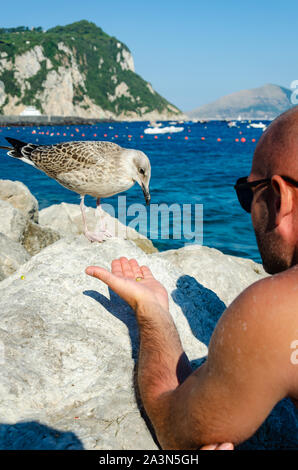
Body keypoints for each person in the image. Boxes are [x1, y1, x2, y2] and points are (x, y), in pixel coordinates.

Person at [85, 107, 298, 450]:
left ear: (280, 196)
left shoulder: (282, 310)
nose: (247, 208)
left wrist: (152, 312)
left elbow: (174, 424)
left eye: (248, 193)